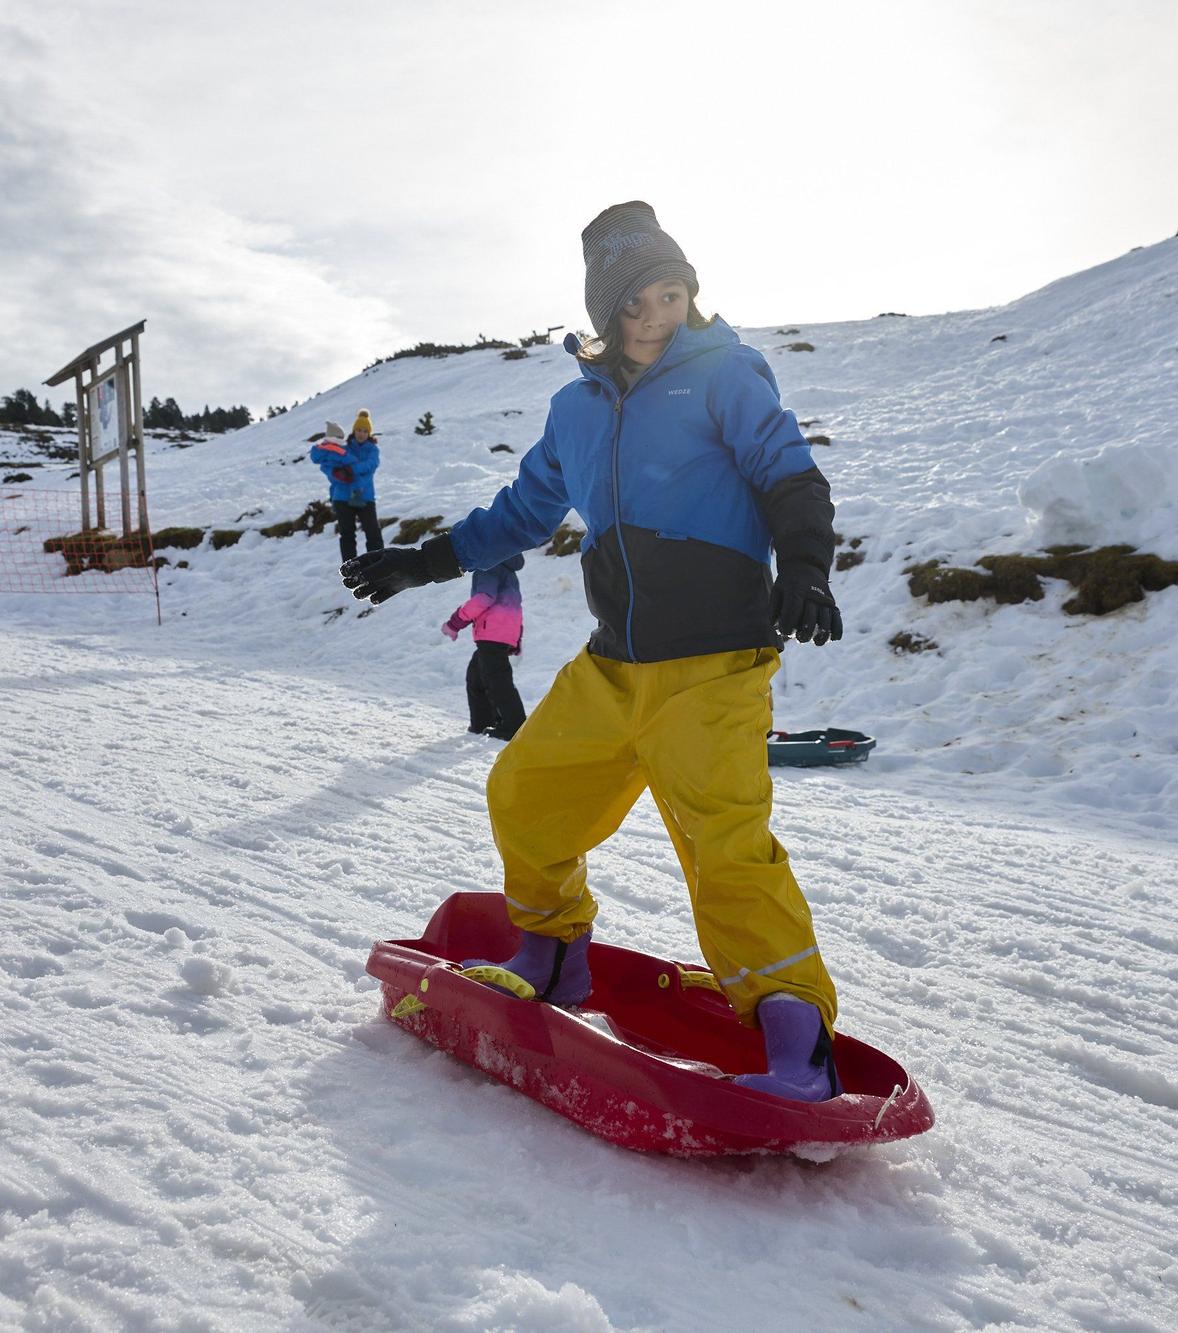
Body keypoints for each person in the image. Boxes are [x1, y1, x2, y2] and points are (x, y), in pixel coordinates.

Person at [344, 202, 847, 1100]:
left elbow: (787, 471)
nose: (660, 311)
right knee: (527, 791)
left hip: (716, 667)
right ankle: (552, 955)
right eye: (639, 299)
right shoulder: (574, 413)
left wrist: (805, 566)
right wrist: (423, 561)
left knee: (727, 848)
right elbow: (520, 513)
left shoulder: (725, 375)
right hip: (613, 667)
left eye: (672, 289)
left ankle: (796, 1041)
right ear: (604, 313)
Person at [442, 554, 527, 740]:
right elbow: (515, 605)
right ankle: (482, 722)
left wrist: (455, 622)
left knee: (498, 681)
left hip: (491, 631)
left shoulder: (489, 564)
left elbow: (484, 598)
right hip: (500, 631)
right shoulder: (506, 569)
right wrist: (515, 637)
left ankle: (514, 725)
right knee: (476, 676)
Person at [310, 413, 382, 563]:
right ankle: (350, 569)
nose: (361, 434)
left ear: (369, 433)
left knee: (373, 533)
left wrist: (350, 470)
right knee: (347, 534)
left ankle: (378, 564)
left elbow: (370, 467)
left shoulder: (372, 450)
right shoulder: (343, 447)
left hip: (365, 496)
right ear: (354, 431)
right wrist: (336, 474)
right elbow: (326, 465)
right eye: (359, 430)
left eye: (364, 431)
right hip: (342, 497)